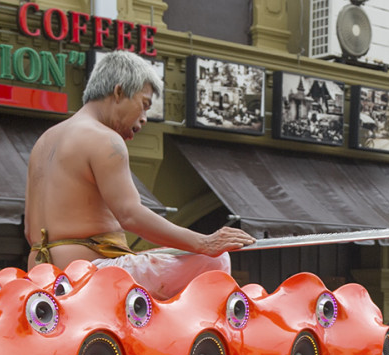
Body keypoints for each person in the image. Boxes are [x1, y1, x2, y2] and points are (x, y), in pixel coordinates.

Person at [24, 51, 254, 299]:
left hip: (40, 276)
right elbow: (130, 215)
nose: (144, 119)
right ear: (119, 92)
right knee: (215, 260)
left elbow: (29, 231)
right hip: (91, 275)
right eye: (144, 105)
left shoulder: (44, 141)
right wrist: (204, 243)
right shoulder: (104, 138)